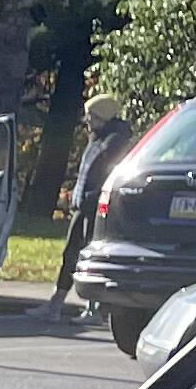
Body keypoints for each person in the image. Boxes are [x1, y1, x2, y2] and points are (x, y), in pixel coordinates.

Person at [52, 94, 139, 313]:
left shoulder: (115, 142)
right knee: (71, 252)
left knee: (93, 255)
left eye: (91, 115)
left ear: (103, 116)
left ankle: (95, 308)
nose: (87, 119)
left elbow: (108, 176)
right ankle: (56, 302)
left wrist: (92, 197)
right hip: (83, 206)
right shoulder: (96, 139)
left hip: (98, 208)